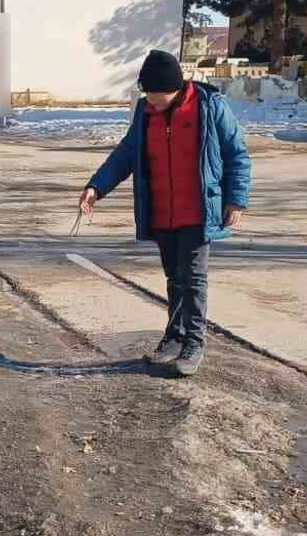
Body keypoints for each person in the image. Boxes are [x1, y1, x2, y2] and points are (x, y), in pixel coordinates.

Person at [79, 50, 251, 377]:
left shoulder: (209, 107)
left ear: (176, 89)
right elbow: (125, 155)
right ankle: (174, 336)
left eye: (158, 98)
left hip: (199, 211)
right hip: (162, 211)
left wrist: (236, 200)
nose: (152, 103)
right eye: (149, 97)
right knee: (175, 278)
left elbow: (237, 157)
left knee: (194, 278)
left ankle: (194, 343)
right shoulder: (146, 113)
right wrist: (96, 187)